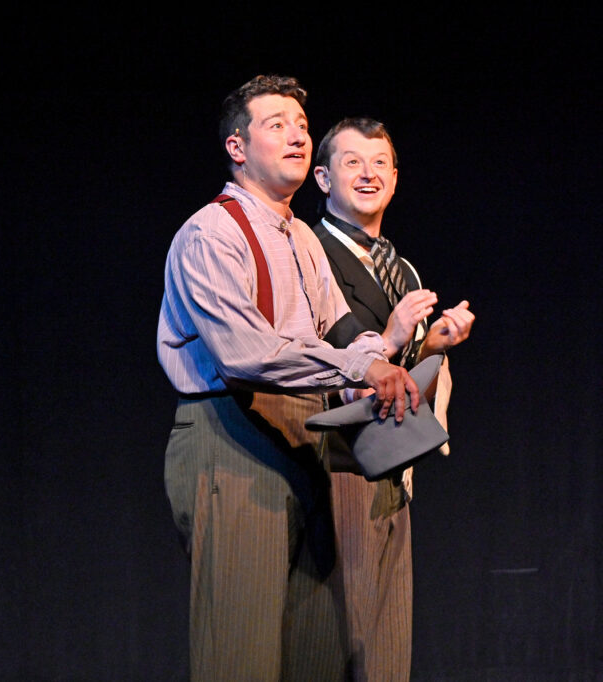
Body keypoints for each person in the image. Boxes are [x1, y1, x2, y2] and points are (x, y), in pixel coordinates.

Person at [156, 77, 421, 682]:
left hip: (308, 440)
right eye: (276, 124)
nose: (298, 134)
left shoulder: (301, 236)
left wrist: (376, 367)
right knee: (240, 654)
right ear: (237, 147)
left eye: (301, 123)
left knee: (317, 654)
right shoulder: (211, 232)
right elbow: (246, 354)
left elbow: (342, 329)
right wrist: (360, 366)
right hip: (232, 436)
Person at [311, 117, 475, 679]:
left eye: (379, 162)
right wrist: (394, 338)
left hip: (391, 466)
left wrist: (432, 344)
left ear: (397, 179)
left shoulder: (399, 267)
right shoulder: (309, 253)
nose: (368, 173)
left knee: (386, 649)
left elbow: (407, 374)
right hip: (336, 465)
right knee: (338, 637)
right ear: (323, 178)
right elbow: (318, 356)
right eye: (352, 161)